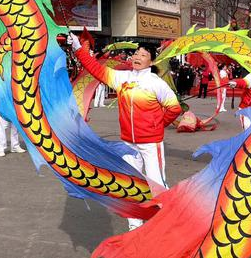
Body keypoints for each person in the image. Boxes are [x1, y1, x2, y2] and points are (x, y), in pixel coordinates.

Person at [68, 33, 182, 231]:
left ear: (151, 61)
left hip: (150, 143)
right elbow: (95, 69)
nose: (137, 56)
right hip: (128, 143)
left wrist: (156, 126)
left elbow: (174, 108)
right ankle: (134, 224)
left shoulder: (156, 83)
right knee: (131, 184)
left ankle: (165, 223)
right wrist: (79, 49)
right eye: (136, 53)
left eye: (143, 54)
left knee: (156, 184)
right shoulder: (122, 78)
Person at [0, 93, 26, 157]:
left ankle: (15, 146)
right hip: (3, 106)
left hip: (15, 105)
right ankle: (1, 148)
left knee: (15, 127)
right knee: (2, 128)